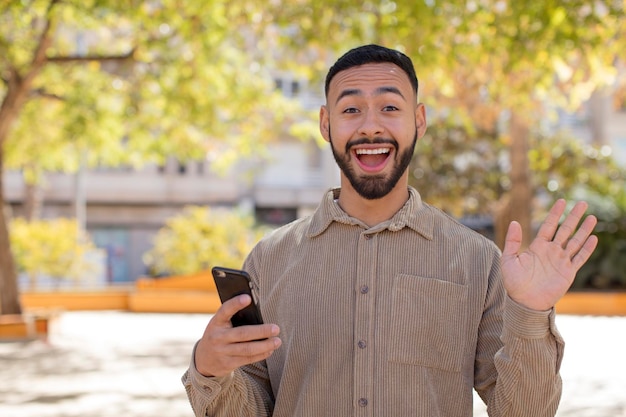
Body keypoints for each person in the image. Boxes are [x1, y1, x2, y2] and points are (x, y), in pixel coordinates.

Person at [182, 44, 598, 417]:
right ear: (326, 124)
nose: (370, 127)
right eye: (350, 110)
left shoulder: (476, 259)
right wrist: (210, 368)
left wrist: (532, 312)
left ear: (419, 120)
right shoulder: (268, 260)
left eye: (390, 108)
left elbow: (522, 413)